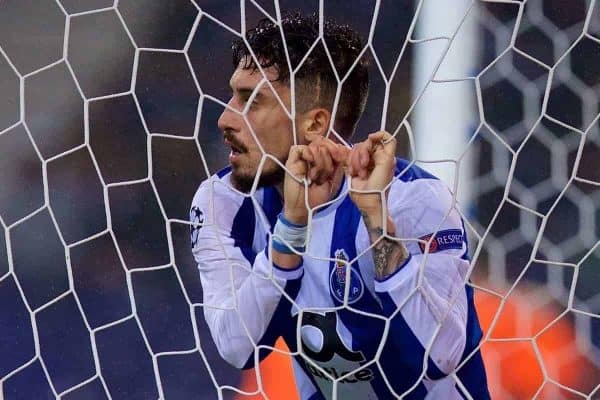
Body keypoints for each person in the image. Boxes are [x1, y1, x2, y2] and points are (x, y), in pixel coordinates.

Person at [190, 12, 490, 400]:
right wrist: (291, 230)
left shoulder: (409, 198)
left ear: (315, 124)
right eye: (232, 95)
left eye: (251, 101)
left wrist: (377, 222)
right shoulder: (223, 204)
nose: (226, 117)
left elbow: (440, 355)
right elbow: (236, 345)